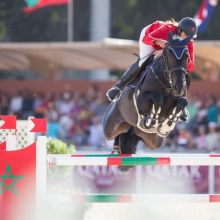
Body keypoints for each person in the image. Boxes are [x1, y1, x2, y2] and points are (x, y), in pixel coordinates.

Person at [106, 17, 197, 121]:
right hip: (150, 37)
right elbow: (147, 39)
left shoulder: (189, 41)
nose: (188, 39)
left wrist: (184, 60)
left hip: (166, 48)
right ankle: (118, 88)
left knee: (182, 70)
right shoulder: (167, 29)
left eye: (190, 37)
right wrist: (159, 42)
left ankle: (181, 103)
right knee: (143, 61)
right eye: (187, 35)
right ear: (179, 30)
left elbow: (191, 66)